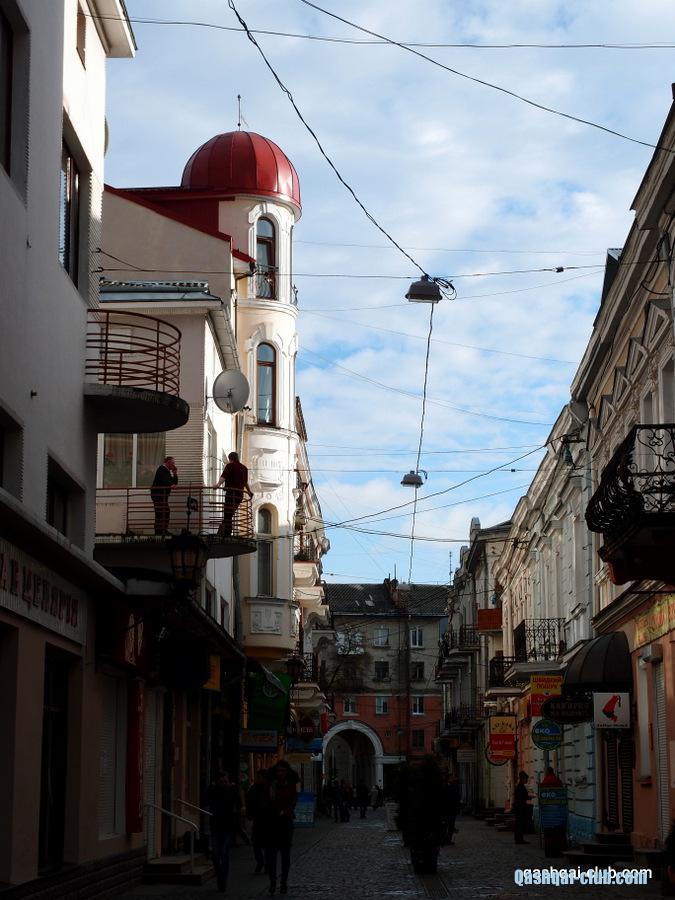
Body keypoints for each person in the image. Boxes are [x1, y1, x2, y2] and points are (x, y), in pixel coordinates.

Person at [265, 761, 298, 896]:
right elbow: (265, 801)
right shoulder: (270, 785)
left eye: (283, 771)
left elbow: (293, 801)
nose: (281, 773)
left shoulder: (291, 785)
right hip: (272, 823)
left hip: (285, 823)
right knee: (271, 856)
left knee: (285, 855)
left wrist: (285, 811)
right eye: (279, 770)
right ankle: (273, 882)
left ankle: (283, 882)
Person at [206, 772, 241, 893]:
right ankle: (219, 875)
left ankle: (223, 880)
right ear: (217, 782)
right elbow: (206, 800)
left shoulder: (231, 791)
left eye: (225, 782)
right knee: (216, 855)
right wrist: (212, 787)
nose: (224, 784)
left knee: (224, 853)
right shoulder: (213, 791)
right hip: (215, 826)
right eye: (221, 782)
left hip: (227, 827)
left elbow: (238, 803)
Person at [213, 452, 253, 537]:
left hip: (231, 494)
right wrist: (249, 492)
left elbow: (223, 476)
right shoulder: (244, 468)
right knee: (230, 514)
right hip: (239, 495)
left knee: (227, 514)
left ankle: (226, 534)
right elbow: (245, 482)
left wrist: (218, 484)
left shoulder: (230, 466)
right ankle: (225, 533)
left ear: (230, 459)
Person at [246, 770, 271, 873]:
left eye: (259, 777)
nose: (257, 779)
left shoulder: (270, 788)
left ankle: (267, 865)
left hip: (268, 820)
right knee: (256, 843)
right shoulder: (253, 788)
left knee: (268, 844)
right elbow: (249, 801)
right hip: (258, 819)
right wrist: (249, 813)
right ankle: (260, 861)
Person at [150, 456, 177, 535]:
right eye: (172, 463)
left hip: (162, 496)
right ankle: (160, 531)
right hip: (158, 495)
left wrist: (175, 474)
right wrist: (171, 485)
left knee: (164, 512)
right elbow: (164, 480)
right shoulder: (161, 469)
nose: (174, 465)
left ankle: (163, 530)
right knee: (160, 513)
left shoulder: (166, 471)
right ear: (168, 462)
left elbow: (174, 483)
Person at [442, 772, 460, 845]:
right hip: (445, 809)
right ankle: (443, 839)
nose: (453, 779)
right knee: (444, 825)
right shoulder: (444, 786)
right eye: (452, 778)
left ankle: (449, 840)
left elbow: (457, 797)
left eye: (453, 778)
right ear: (448, 779)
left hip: (452, 809)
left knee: (451, 826)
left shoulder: (455, 787)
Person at [513, 770, 531, 844]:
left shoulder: (519, 786)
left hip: (518, 807)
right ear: (523, 779)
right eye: (526, 779)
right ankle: (519, 839)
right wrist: (530, 797)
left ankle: (518, 838)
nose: (527, 780)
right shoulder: (521, 786)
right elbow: (524, 797)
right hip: (520, 808)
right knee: (520, 824)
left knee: (518, 823)